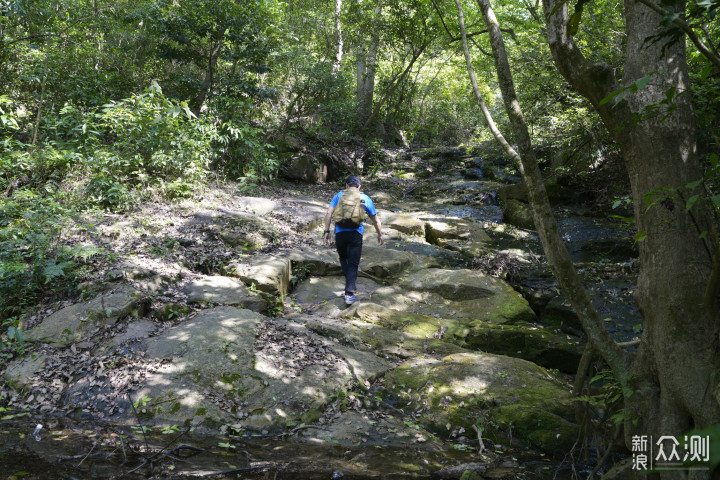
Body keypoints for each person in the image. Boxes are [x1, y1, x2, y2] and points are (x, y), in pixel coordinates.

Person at [323, 175, 383, 305]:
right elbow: (375, 219)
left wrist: (326, 231)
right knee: (353, 264)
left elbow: (328, 214)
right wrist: (380, 234)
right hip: (355, 234)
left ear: (346, 186)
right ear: (359, 187)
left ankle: (351, 285)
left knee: (343, 259)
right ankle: (349, 294)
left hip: (340, 234)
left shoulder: (339, 195)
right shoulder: (364, 198)